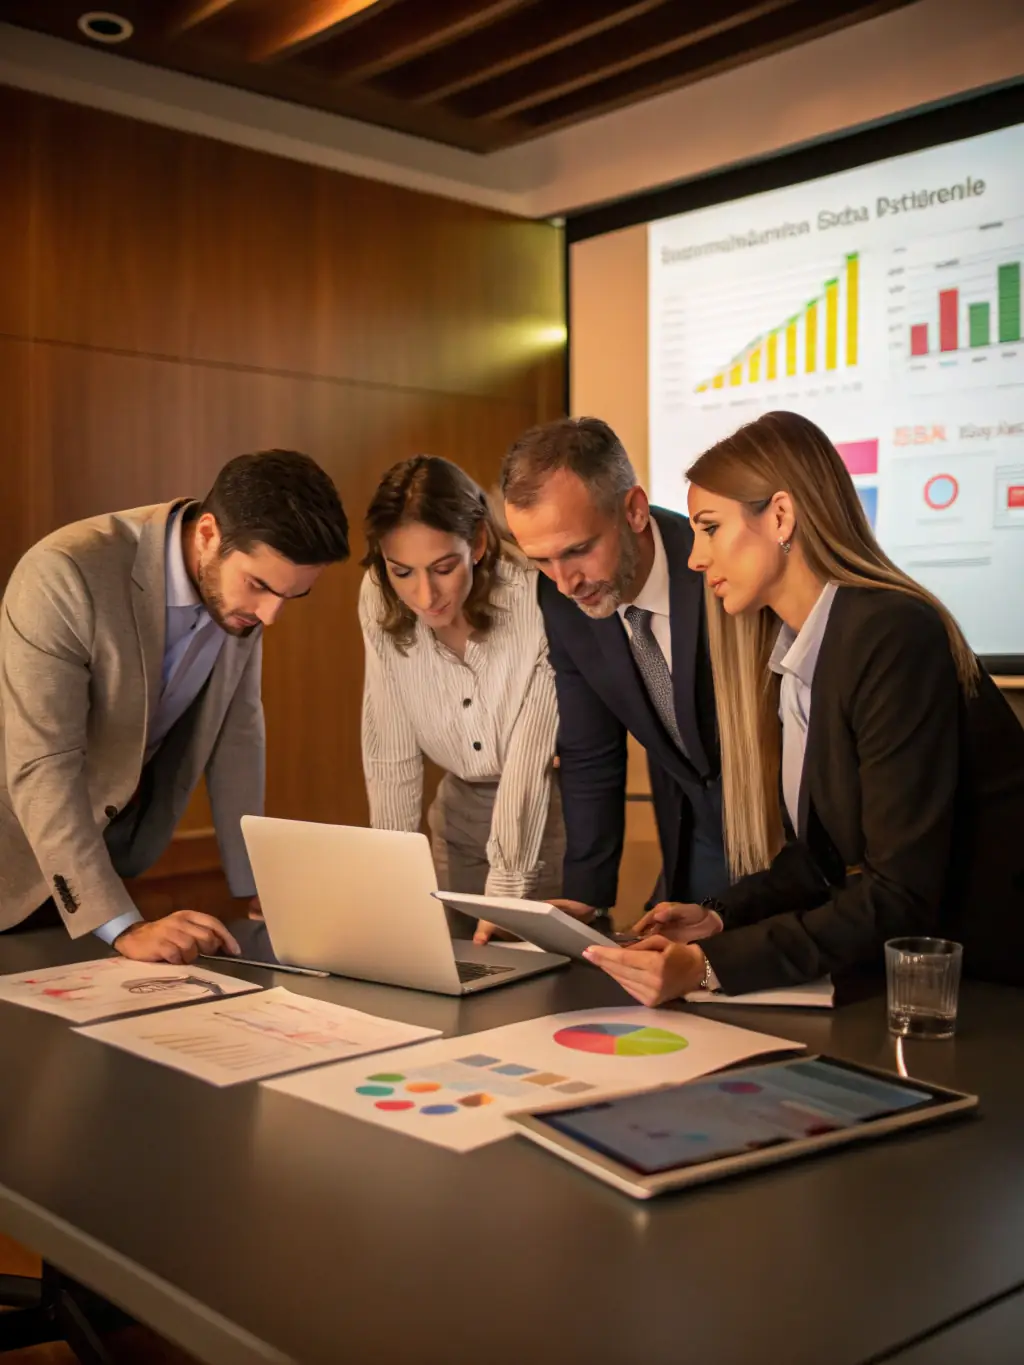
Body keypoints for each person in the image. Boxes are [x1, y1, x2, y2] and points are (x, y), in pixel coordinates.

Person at [583, 410, 1024, 1002]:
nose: (694, 558)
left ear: (782, 516)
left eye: (709, 528)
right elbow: (825, 858)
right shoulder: (799, 648)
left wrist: (711, 965)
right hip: (926, 979)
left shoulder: (892, 634)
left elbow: (898, 892)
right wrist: (717, 917)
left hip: (991, 983)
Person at [0, 450, 350, 962]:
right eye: (259, 586)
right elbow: (42, 767)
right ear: (208, 534)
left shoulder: (242, 603)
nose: (271, 616)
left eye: (289, 597)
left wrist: (256, 885)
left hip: (94, 865)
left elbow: (238, 735)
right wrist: (120, 925)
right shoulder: (65, 572)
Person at [500, 417, 726, 933]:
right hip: (694, 845)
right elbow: (590, 752)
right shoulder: (560, 600)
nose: (564, 583)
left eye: (578, 550)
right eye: (542, 561)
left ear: (635, 510)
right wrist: (587, 899)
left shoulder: (716, 566)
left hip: (794, 852)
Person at [360, 456, 564, 944]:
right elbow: (390, 748)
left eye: (443, 568)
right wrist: (391, 882)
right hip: (455, 816)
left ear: (476, 542)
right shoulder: (377, 595)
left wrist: (508, 888)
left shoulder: (536, 594)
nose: (425, 595)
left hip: (546, 815)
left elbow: (529, 757)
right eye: (402, 571)